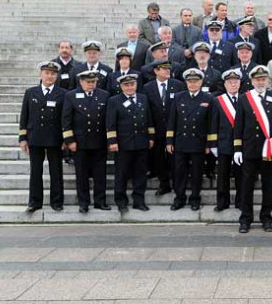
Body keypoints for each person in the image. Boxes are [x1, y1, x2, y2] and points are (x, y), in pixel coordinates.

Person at [233, 65, 272, 233]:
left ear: (268, 81)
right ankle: (245, 219)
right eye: (258, 79)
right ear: (252, 81)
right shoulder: (245, 98)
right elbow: (238, 124)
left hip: (269, 150)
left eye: (263, 79)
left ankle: (266, 217)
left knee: (269, 185)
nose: (261, 82)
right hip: (250, 149)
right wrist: (238, 148)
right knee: (246, 186)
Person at [19, 61, 66, 213]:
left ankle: (57, 201)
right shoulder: (30, 92)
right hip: (35, 137)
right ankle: (34, 202)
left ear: (56, 76)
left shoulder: (63, 93)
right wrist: (22, 138)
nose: (49, 76)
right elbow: (24, 116)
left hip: (55, 138)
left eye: (53, 73)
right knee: (35, 171)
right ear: (40, 75)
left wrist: (66, 139)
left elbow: (65, 119)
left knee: (56, 171)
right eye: (46, 73)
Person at [62, 70, 110, 213]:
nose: (91, 84)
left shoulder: (104, 95)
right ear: (81, 82)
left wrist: (109, 140)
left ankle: (100, 201)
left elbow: (108, 120)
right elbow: (66, 120)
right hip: (80, 142)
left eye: (93, 82)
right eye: (88, 82)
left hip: (99, 141)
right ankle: (83, 203)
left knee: (100, 174)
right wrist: (70, 140)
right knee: (81, 174)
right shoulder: (71, 96)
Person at [165, 68, 213, 211]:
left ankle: (195, 199)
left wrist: (209, 143)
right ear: (186, 82)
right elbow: (172, 120)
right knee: (179, 173)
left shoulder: (208, 98)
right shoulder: (179, 97)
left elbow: (210, 123)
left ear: (201, 82)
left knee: (197, 172)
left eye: (195, 81)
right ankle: (179, 198)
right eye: (190, 81)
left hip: (199, 142)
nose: (192, 84)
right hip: (180, 142)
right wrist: (169, 141)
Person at [106, 74, 154, 213]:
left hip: (141, 142)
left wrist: (151, 137)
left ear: (136, 85)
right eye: (126, 85)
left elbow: (149, 119)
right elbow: (110, 123)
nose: (129, 87)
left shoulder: (143, 98)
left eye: (132, 84)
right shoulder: (114, 101)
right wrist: (112, 141)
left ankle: (139, 201)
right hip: (123, 144)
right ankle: (121, 202)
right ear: (121, 87)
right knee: (121, 174)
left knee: (140, 174)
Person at [143, 60, 185, 196]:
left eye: (168, 69)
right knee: (159, 159)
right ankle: (164, 183)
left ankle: (177, 184)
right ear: (156, 71)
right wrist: (150, 131)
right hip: (157, 129)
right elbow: (146, 110)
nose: (167, 71)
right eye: (164, 69)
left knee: (175, 159)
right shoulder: (147, 87)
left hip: (175, 130)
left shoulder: (178, 85)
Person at [208, 69, 243, 211]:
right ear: (225, 84)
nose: (233, 85)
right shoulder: (217, 101)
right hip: (223, 143)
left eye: (236, 82)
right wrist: (213, 144)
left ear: (240, 84)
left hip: (241, 145)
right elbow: (213, 124)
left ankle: (241, 202)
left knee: (241, 176)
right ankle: (222, 202)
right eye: (230, 83)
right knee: (222, 176)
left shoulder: (245, 99)